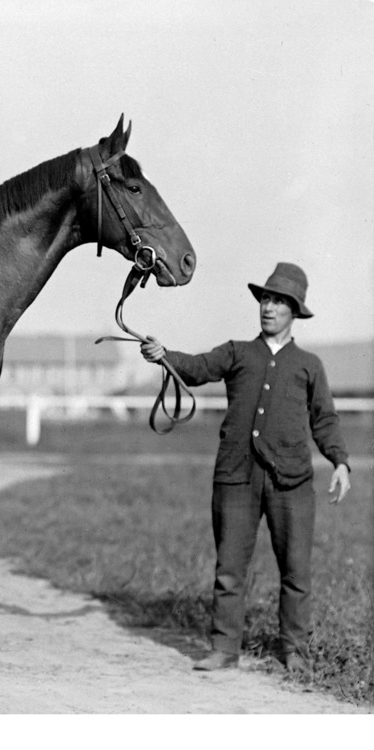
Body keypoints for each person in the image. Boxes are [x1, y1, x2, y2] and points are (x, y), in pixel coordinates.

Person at [140, 262, 351, 672]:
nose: (269, 308)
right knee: (230, 568)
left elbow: (324, 419)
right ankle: (224, 649)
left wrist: (340, 462)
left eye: (279, 302)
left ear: (295, 311)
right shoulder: (238, 351)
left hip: (292, 482)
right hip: (235, 476)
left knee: (296, 572)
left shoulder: (309, 365)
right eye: (265, 299)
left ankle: (294, 652)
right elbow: (198, 367)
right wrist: (165, 356)